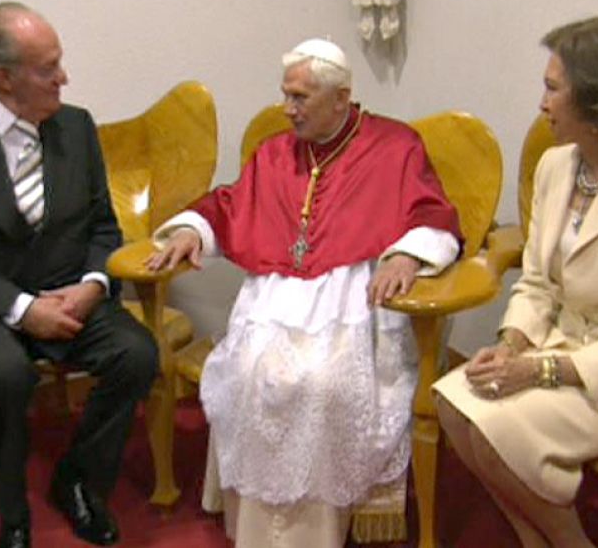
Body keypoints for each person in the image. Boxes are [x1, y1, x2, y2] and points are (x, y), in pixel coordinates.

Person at [147, 38, 462, 548]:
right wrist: (192, 229)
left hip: (354, 297)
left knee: (323, 384)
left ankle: (313, 536)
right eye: (285, 95)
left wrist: (406, 254)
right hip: (278, 296)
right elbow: (231, 204)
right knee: (250, 373)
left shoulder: (395, 146)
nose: (287, 109)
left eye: (301, 98)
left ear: (341, 97)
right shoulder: (274, 153)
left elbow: (431, 212)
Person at [433, 10, 598, 548]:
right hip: (559, 348)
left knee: (495, 431)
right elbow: (537, 284)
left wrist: (539, 371)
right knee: (451, 400)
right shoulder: (557, 167)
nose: (542, 103)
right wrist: (510, 346)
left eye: (553, 89)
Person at [0, 2, 158, 548]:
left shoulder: (77, 126)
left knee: (136, 355)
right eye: (49, 68)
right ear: (5, 77)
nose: (64, 78)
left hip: (69, 292)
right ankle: (12, 512)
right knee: (4, 375)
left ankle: (80, 482)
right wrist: (22, 309)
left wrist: (93, 287)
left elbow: (103, 229)